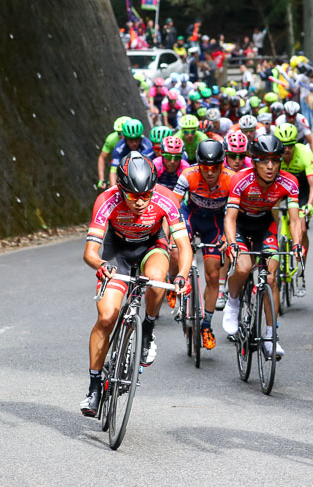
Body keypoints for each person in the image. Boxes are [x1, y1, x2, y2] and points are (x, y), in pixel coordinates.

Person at [80, 151, 192, 416]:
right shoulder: (106, 200)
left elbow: (184, 246)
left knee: (155, 280)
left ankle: (148, 329)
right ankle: (94, 387)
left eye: (146, 195)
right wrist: (101, 265)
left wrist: (182, 276)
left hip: (151, 246)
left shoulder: (165, 198)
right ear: (121, 189)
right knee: (107, 318)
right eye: (133, 196)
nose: (141, 202)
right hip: (116, 250)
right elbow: (90, 252)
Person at [222, 135, 305, 358]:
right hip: (240, 223)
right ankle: (233, 301)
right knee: (243, 267)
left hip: (264, 225)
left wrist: (297, 243)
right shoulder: (240, 179)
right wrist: (231, 244)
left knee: (270, 277)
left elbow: (295, 219)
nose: (270, 166)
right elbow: (229, 218)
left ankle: (270, 336)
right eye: (264, 161)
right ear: (254, 161)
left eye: (275, 161)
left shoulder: (289, 182)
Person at [173, 140, 236, 349]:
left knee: (211, 274)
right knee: (179, 250)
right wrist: (169, 236)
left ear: (222, 164)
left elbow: (234, 214)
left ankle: (206, 324)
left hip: (215, 223)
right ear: (199, 164)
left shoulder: (231, 179)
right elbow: (173, 206)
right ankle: (179, 283)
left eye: (215, 168)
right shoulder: (188, 175)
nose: (210, 172)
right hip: (190, 216)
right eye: (205, 168)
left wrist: (228, 237)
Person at [275, 123, 313, 283]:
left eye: (291, 145)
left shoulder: (305, 153)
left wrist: (310, 204)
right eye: (283, 146)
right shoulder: (274, 154)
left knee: (301, 228)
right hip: (280, 189)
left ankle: (301, 270)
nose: (287, 150)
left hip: (301, 190)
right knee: (272, 220)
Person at [109, 119, 154, 186]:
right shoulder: (119, 148)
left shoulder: (147, 145)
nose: (134, 143)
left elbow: (152, 168)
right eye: (130, 140)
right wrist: (113, 188)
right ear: (125, 138)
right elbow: (113, 171)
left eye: (137, 139)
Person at [96, 116, 130, 190]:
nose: (122, 137)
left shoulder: (137, 140)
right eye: (119, 133)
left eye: (123, 133)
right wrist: (101, 179)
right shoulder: (111, 139)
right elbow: (102, 157)